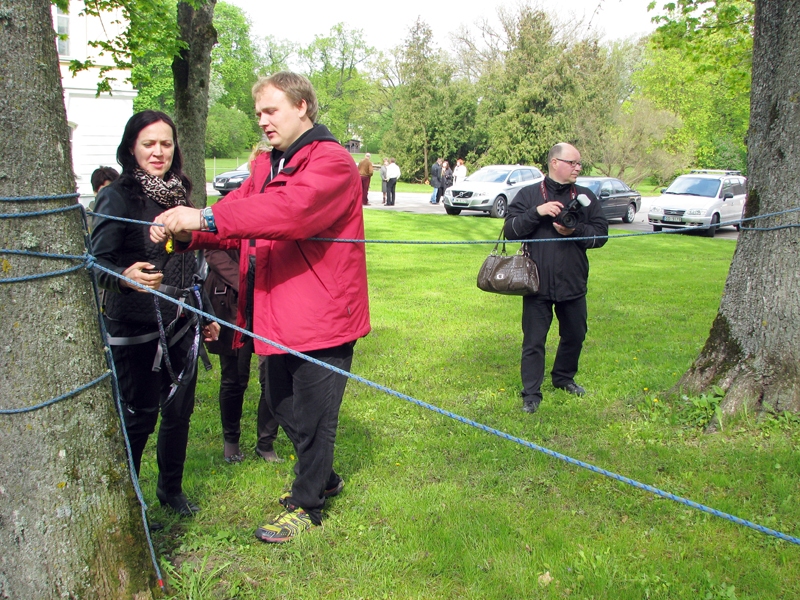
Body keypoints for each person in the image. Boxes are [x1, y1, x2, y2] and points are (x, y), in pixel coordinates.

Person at [150, 72, 370, 543]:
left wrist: (205, 214)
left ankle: (306, 504)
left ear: (302, 107)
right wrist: (188, 232)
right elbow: (238, 217)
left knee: (313, 416)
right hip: (275, 313)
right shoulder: (268, 164)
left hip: (323, 317)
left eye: (271, 110)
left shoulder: (331, 162)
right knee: (280, 404)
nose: (263, 121)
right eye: (258, 114)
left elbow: (290, 212)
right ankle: (324, 476)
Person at [91, 110, 220, 517]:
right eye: (149, 144)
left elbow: (195, 265)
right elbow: (95, 264)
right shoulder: (118, 195)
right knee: (140, 416)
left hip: (182, 324)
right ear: (132, 147)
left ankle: (170, 490)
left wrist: (209, 314)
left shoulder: (180, 193)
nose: (159, 152)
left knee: (178, 414)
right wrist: (123, 276)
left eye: (166, 143)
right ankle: (126, 501)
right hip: (136, 327)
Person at [503, 143, 608, 414]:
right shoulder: (528, 195)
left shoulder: (585, 197)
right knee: (534, 340)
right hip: (536, 283)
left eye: (579, 163)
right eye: (572, 162)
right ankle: (531, 393)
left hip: (573, 282)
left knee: (575, 334)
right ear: (554, 162)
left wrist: (572, 229)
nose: (578, 168)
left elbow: (601, 235)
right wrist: (537, 213)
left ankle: (563, 378)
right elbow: (511, 231)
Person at [204, 247, 283, 464]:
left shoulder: (276, 213)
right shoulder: (224, 212)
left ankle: (266, 443)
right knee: (234, 379)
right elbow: (212, 251)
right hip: (232, 301)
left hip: (272, 300)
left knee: (273, 377)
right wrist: (245, 283)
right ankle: (231, 442)